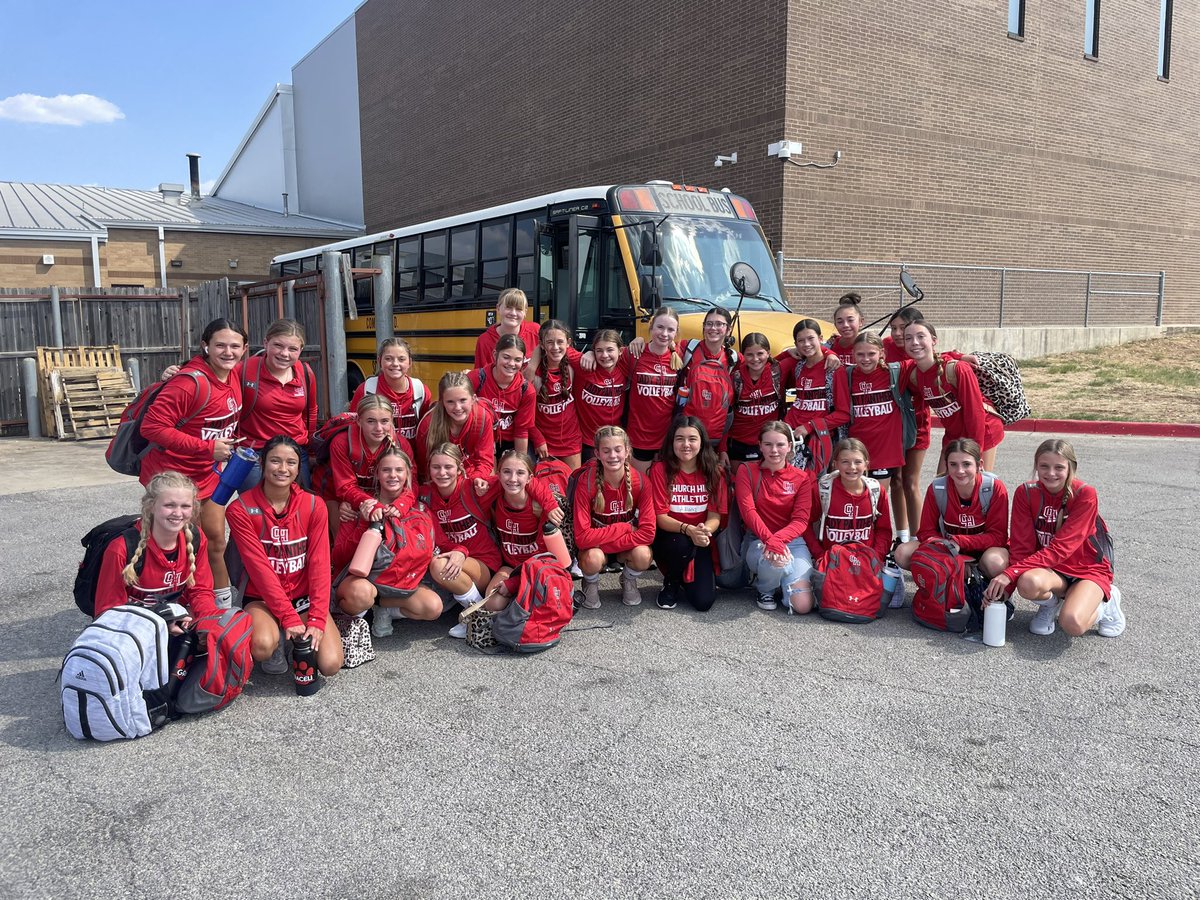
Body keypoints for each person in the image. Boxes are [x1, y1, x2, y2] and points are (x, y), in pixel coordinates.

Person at [140, 317, 247, 608]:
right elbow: (151, 427)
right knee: (170, 542)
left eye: (235, 346)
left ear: (245, 349)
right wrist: (206, 447)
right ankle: (159, 599)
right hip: (173, 477)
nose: (228, 352)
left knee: (214, 539)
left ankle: (221, 603)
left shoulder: (234, 375)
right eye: (220, 345)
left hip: (207, 474)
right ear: (206, 346)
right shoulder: (189, 382)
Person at [226, 436, 342, 678]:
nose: (282, 469)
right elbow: (259, 569)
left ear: (299, 468)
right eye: (275, 461)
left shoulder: (313, 505)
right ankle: (278, 635)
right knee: (262, 647)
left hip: (302, 598)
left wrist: (318, 619)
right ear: (262, 462)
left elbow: (320, 565)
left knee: (331, 664)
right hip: (261, 599)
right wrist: (287, 617)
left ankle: (291, 635)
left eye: (290, 462)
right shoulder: (240, 509)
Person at [983, 439, 1124, 638]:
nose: (1051, 473)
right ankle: (1051, 605)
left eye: (1059, 467)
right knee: (1028, 582)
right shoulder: (1026, 492)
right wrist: (1008, 589)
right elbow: (1021, 547)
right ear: (1036, 466)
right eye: (1044, 466)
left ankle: (1106, 606)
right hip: (1052, 570)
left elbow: (1061, 549)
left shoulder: (1085, 494)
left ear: (1071, 468)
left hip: (1085, 570)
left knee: (1072, 624)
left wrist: (1008, 574)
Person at [332, 444, 443, 635]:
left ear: (407, 474)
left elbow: (442, 543)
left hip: (399, 583)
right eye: (386, 470)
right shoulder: (360, 507)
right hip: (363, 582)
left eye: (399, 470)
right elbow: (339, 557)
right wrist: (362, 525)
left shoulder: (420, 510)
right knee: (361, 595)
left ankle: (383, 608)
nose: (393, 475)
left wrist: (460, 552)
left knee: (433, 607)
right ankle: (348, 624)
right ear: (377, 474)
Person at [94, 471, 218, 622]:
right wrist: (161, 624)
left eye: (185, 506)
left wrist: (209, 622)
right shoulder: (122, 548)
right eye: (169, 505)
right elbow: (109, 610)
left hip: (179, 618)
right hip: (134, 626)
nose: (178, 513)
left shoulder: (195, 538)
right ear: (151, 506)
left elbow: (201, 590)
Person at [893, 438, 1010, 584]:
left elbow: (998, 537)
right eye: (953, 464)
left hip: (983, 551)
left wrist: (960, 542)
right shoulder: (938, 488)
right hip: (948, 548)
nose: (960, 471)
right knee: (902, 553)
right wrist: (951, 555)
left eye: (966, 464)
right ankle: (947, 583)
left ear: (979, 465)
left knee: (995, 563)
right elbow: (925, 532)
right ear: (947, 466)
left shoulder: (993, 488)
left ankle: (988, 588)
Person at [418, 443, 503, 639]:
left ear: (459, 468)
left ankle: (477, 614)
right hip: (454, 556)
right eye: (436, 467)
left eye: (448, 467)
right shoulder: (425, 495)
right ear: (429, 469)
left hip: (483, 564)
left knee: (439, 565)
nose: (442, 473)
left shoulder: (473, 487)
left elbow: (513, 479)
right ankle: (474, 606)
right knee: (438, 564)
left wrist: (547, 505)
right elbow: (401, 494)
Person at [904, 319, 1005, 473]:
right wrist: (955, 354)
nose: (914, 342)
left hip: (983, 432)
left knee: (975, 485)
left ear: (934, 340)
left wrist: (976, 454)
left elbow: (975, 414)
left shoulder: (958, 369)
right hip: (953, 435)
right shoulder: (914, 374)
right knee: (942, 485)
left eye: (921, 336)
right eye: (908, 338)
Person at [648, 416, 727, 612]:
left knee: (703, 602)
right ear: (671, 442)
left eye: (692, 439)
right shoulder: (660, 470)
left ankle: (686, 573)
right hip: (670, 537)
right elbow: (660, 517)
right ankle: (672, 581)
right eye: (679, 438)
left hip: (700, 538)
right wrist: (688, 529)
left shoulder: (715, 472)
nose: (686, 444)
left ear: (702, 442)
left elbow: (715, 517)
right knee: (681, 542)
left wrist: (703, 531)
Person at [736, 422, 815, 614]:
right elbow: (749, 513)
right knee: (775, 561)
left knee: (802, 606)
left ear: (789, 446)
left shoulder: (801, 478)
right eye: (768, 444)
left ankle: (780, 578)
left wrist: (778, 541)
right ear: (760, 446)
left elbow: (801, 520)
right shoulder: (746, 471)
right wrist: (771, 541)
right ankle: (765, 589)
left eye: (780, 444)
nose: (774, 450)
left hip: (793, 542)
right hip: (758, 539)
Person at [572, 425, 656, 609]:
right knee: (592, 559)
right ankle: (590, 583)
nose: (612, 456)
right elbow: (581, 538)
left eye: (618, 450)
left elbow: (648, 534)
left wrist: (610, 546)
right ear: (597, 453)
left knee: (643, 555)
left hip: (613, 546)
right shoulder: (586, 483)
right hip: (596, 549)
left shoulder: (641, 481)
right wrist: (624, 528)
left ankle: (628, 579)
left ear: (627, 451)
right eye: (606, 450)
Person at [474, 450, 565, 609]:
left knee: (543, 600)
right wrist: (479, 483)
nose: (513, 478)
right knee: (492, 603)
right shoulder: (496, 498)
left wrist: (514, 583)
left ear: (530, 478)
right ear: (498, 474)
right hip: (510, 565)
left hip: (537, 567)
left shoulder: (539, 506)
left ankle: (520, 599)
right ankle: (517, 601)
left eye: (520, 473)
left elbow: (549, 557)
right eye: (507, 472)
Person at [236, 319, 319, 492]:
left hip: (294, 451)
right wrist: (176, 373)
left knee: (298, 509)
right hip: (255, 453)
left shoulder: (305, 373)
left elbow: (310, 412)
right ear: (266, 343)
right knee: (256, 511)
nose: (284, 353)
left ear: (301, 350)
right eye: (278, 345)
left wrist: (311, 451)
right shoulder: (245, 370)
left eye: (293, 349)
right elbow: (213, 377)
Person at [833, 332, 911, 496]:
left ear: (882, 353)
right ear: (853, 354)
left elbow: (926, 358)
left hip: (884, 451)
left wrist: (958, 356)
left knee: (876, 500)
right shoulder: (847, 374)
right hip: (856, 449)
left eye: (871, 354)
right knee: (855, 498)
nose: (865, 359)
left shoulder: (894, 372)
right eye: (860, 354)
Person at [323, 394, 412, 534]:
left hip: (374, 494)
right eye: (371, 421)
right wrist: (365, 503)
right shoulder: (342, 443)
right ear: (359, 421)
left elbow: (412, 483)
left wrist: (402, 503)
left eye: (384, 421)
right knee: (344, 542)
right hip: (337, 496)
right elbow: (345, 487)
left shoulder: (401, 444)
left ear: (392, 421)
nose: (378, 428)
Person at [883, 307, 930, 544]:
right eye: (894, 328)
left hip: (917, 423)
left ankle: (918, 538)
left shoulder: (920, 349)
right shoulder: (886, 346)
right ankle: (901, 537)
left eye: (904, 327)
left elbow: (944, 357)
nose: (899, 333)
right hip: (891, 425)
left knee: (911, 481)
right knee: (896, 480)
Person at [806, 438, 893, 564]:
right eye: (845, 462)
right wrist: (819, 555)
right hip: (831, 560)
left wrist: (876, 557)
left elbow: (884, 531)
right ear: (835, 464)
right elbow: (806, 525)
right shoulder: (823, 489)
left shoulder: (876, 490)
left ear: (866, 464)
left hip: (866, 560)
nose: (852, 467)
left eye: (858, 462)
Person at [783, 319, 849, 472]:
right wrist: (787, 352)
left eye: (810, 338)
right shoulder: (798, 366)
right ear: (796, 344)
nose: (806, 344)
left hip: (818, 439)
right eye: (801, 341)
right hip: (792, 435)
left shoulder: (834, 369)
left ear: (820, 339)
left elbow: (844, 414)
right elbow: (769, 364)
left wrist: (810, 426)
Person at [625, 306, 684, 474]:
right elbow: (606, 358)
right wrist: (590, 354)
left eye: (670, 329)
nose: (664, 333)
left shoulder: (679, 353)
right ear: (651, 327)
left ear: (676, 332)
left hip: (667, 438)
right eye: (660, 327)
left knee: (662, 488)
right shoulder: (635, 353)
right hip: (639, 438)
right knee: (643, 487)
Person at [413, 371, 496, 486]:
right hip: (440, 481)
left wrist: (476, 480)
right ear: (442, 402)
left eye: (463, 400)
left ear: (473, 399)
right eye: (450, 402)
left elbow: (485, 461)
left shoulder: (482, 418)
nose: (458, 407)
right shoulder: (428, 425)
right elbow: (424, 468)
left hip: (471, 479)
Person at [721, 333, 784, 470]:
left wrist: (829, 353)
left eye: (760, 353)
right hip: (738, 444)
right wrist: (722, 449)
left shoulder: (778, 372)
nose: (755, 359)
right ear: (743, 355)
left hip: (768, 443)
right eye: (749, 354)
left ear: (768, 353)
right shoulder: (735, 378)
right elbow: (725, 415)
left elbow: (810, 356)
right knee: (739, 485)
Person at [350, 338, 428, 444]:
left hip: (411, 458)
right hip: (377, 457)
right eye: (388, 359)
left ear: (409, 362)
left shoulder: (420, 390)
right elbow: (353, 428)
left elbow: (425, 430)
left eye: (401, 359)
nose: (395, 364)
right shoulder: (366, 390)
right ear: (379, 361)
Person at [469, 334, 535, 457]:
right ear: (495, 355)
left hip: (509, 443)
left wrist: (519, 462)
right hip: (478, 440)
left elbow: (521, 431)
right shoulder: (475, 379)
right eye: (506, 357)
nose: (511, 364)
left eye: (517, 360)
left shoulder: (526, 390)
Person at [530, 319, 583, 469]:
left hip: (571, 441)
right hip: (544, 443)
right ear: (541, 344)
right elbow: (525, 415)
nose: (555, 347)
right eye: (550, 342)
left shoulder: (573, 366)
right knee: (548, 489)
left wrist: (591, 353)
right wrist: (538, 439)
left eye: (560, 342)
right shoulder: (533, 373)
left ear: (568, 342)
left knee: (572, 487)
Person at [574, 329, 630, 464]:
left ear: (621, 351)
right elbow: (558, 346)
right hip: (588, 442)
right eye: (599, 350)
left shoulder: (624, 368)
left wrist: (639, 339)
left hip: (615, 440)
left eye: (610, 350)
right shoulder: (584, 366)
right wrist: (588, 353)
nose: (605, 355)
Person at [473, 287, 540, 369]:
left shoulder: (535, 331)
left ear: (525, 312)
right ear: (498, 308)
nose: (513, 313)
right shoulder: (484, 340)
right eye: (508, 307)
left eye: (519, 309)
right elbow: (480, 376)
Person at [827, 293, 866, 366]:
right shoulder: (829, 346)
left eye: (850, 320)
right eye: (840, 322)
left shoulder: (869, 346)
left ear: (861, 321)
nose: (845, 325)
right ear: (835, 324)